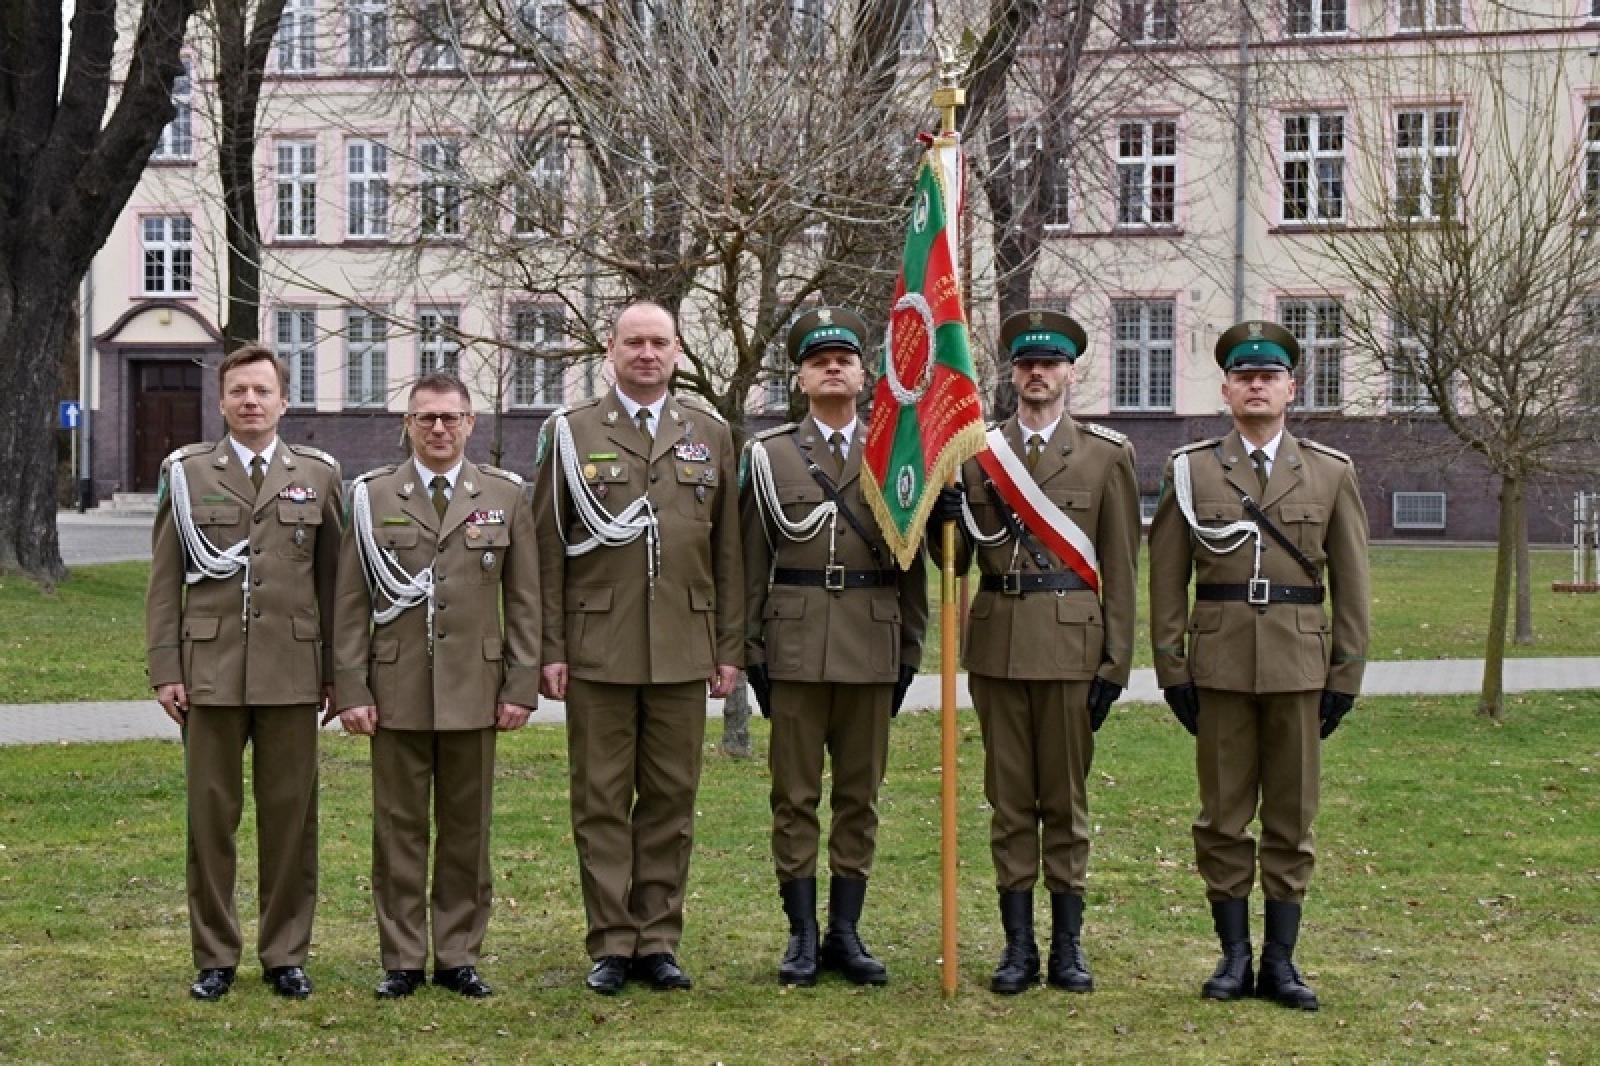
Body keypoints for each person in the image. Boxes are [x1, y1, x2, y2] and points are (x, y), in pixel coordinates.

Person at [1148, 320, 1370, 1011]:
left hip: (1300, 668)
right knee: (1221, 816)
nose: (1256, 385)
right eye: (1244, 376)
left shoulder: (1331, 472)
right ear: (1226, 390)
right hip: (1217, 667)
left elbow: (1354, 581)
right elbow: (1166, 577)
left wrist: (1347, 672)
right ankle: (1232, 955)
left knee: (1292, 816)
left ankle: (1280, 961)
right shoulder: (1191, 471)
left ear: (1290, 388)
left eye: (1268, 376)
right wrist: (1171, 666)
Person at [533, 300, 744, 995]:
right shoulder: (570, 433)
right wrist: (550, 647)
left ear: (678, 351)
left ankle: (657, 939)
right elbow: (546, 550)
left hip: (685, 644)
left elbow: (729, 552)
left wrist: (729, 647)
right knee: (598, 799)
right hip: (599, 646)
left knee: (671, 798)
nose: (647, 353)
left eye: (659, 342)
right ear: (610, 350)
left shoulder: (710, 433)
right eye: (634, 342)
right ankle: (610, 943)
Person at [929, 309, 1139, 995]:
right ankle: (1018, 947)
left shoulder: (1107, 456)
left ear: (1070, 373)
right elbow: (954, 562)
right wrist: (944, 522)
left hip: (1074, 647)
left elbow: (1122, 566)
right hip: (998, 644)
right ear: (1010, 374)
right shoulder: (975, 453)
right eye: (1025, 364)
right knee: (1011, 801)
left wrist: (1115, 663)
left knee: (1066, 804)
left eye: (1049, 364)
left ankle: (1068, 948)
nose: (1037, 374)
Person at [333, 372, 540, 1000]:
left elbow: (525, 599)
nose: (439, 429)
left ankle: (457, 955)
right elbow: (349, 601)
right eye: (426, 418)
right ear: (407, 424)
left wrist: (520, 684)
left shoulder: (504, 495)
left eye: (450, 417)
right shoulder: (372, 496)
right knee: (397, 828)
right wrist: (352, 688)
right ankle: (401, 956)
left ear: (470, 423)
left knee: (467, 828)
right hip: (395, 687)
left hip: (476, 688)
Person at [146, 344, 343, 1001]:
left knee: (291, 821)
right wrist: (165, 668)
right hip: (210, 673)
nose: (251, 401)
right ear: (223, 401)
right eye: (239, 391)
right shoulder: (187, 473)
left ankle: (285, 953)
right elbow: (164, 581)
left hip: (292, 673)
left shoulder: (317, 475)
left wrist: (337, 672)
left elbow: (335, 583)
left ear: (284, 401)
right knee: (211, 819)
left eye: (263, 391)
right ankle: (215, 955)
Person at [740, 307, 928, 987]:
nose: (832, 368)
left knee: (859, 795)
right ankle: (801, 934)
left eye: (843, 358)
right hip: (793, 644)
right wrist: (751, 649)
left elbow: (912, 564)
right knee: (793, 796)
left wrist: (910, 651)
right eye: (819, 360)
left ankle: (846, 931)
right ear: (800, 377)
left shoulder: (894, 452)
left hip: (872, 644)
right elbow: (748, 560)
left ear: (863, 372)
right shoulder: (771, 456)